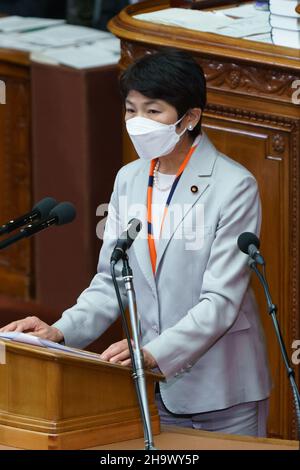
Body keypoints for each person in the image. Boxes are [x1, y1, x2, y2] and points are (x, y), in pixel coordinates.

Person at [0, 49, 271, 437]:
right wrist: (59, 332)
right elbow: (111, 280)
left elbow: (221, 301)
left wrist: (154, 353)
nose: (138, 122)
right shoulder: (129, 178)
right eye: (131, 110)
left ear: (189, 118)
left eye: (153, 111)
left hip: (222, 389)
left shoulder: (233, 185)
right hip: (149, 388)